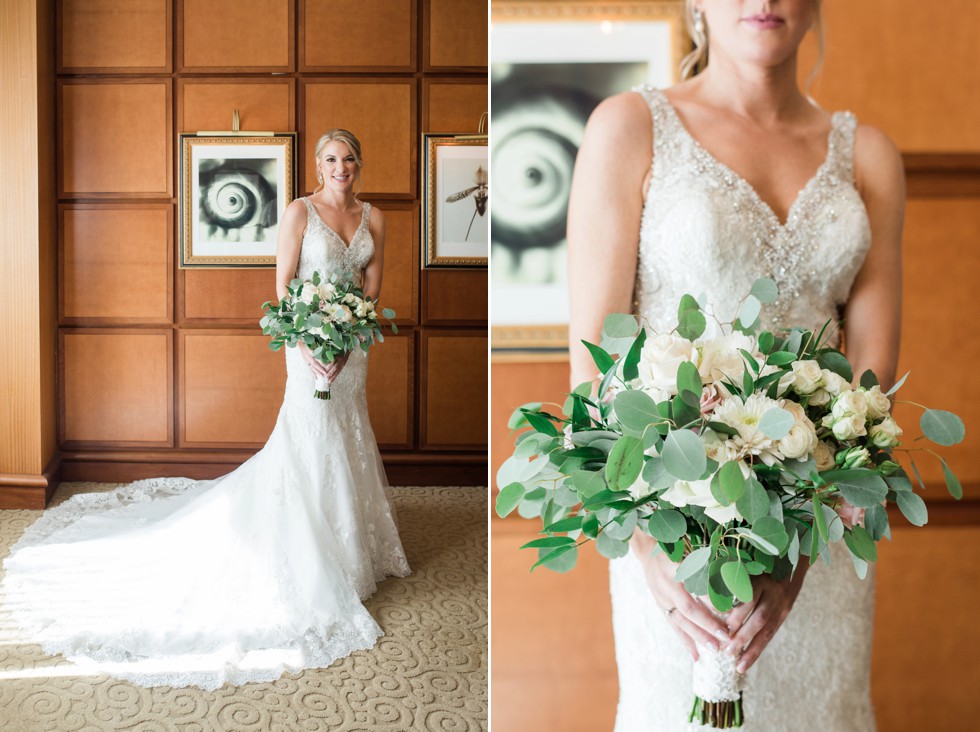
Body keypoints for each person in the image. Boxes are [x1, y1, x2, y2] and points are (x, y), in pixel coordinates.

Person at [566, 1, 903, 729]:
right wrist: (650, 546)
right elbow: (592, 367)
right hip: (675, 534)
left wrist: (800, 560)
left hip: (823, 536)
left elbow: (872, 392)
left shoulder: (868, 155)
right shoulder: (627, 128)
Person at [1, 128, 411, 691]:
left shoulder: (376, 218)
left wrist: (352, 332)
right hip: (306, 346)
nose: (342, 168)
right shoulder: (298, 211)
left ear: (359, 165)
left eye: (350, 159)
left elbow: (371, 281)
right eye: (332, 160)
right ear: (318, 166)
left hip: (352, 349)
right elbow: (284, 284)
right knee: (310, 432)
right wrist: (311, 344)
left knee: (348, 432)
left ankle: (350, 544)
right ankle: (311, 549)